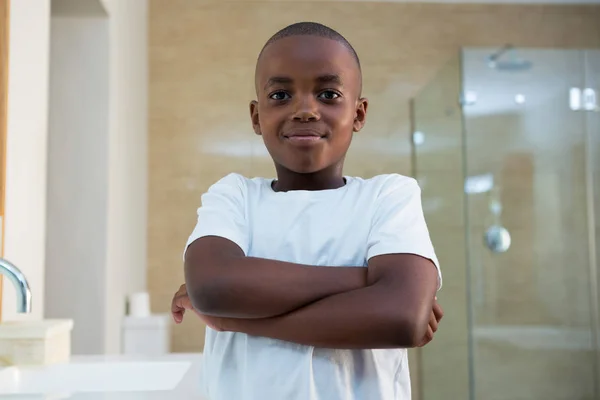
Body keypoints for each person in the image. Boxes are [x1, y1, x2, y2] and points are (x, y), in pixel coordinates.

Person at [171, 21, 443, 400]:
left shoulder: (389, 196)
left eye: (329, 94)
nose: (304, 110)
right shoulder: (234, 196)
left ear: (359, 114)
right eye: (280, 95)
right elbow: (211, 287)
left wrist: (231, 318)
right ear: (255, 116)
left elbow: (402, 318)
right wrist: (367, 281)